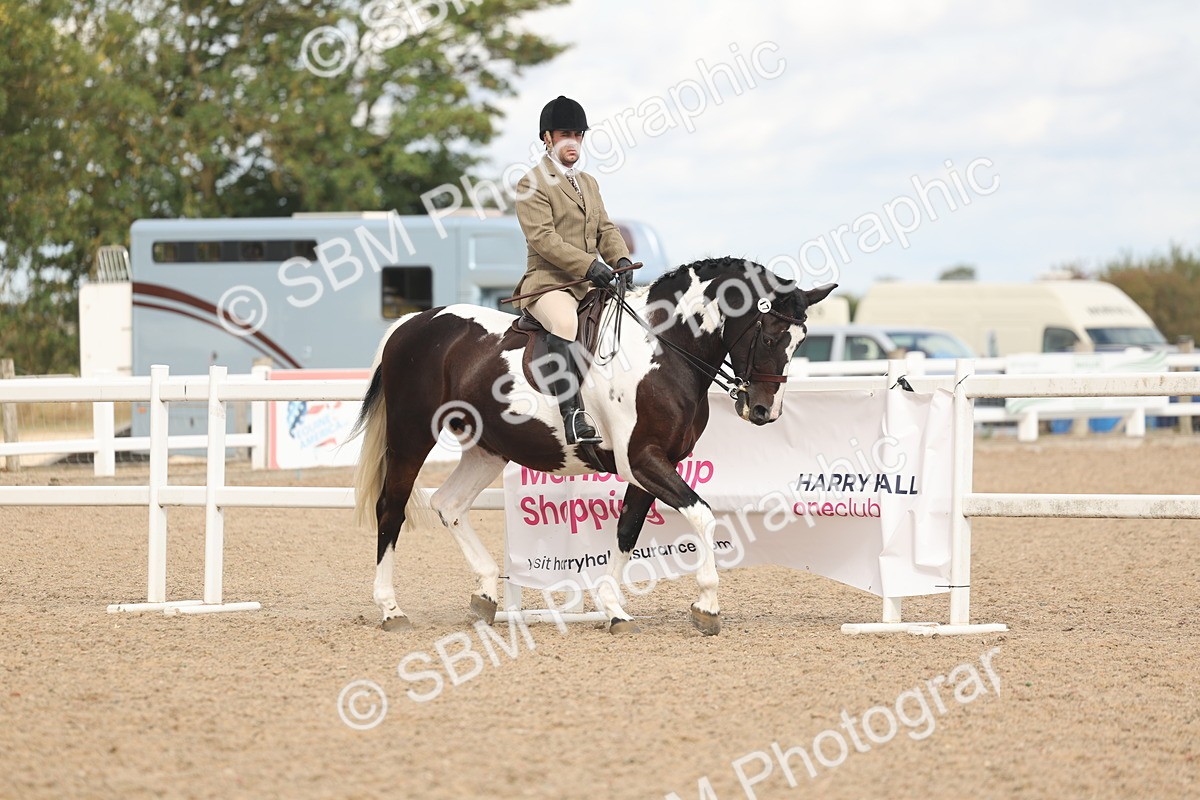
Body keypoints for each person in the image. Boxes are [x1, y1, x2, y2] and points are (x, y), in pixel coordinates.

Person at [512, 95, 633, 445]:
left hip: (589, 282)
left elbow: (605, 229)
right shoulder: (531, 183)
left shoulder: (589, 183)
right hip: (548, 283)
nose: (574, 142)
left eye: (579, 135)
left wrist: (619, 259)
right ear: (547, 138)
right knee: (566, 323)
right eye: (566, 134)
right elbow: (544, 239)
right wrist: (589, 264)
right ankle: (573, 415)